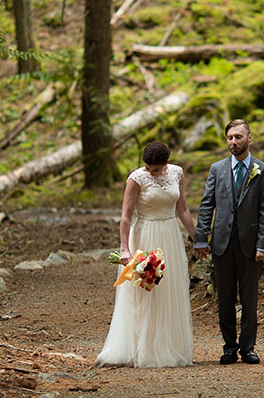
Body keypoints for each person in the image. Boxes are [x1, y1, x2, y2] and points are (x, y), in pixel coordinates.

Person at [96, 142, 196, 368]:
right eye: (148, 168)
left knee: (170, 291)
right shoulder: (136, 179)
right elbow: (125, 216)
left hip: (170, 235)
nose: (150, 172)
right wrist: (125, 249)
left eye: (156, 169)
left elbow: (182, 210)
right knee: (146, 293)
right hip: (145, 236)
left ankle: (169, 347)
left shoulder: (177, 173)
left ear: (166, 163)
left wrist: (197, 238)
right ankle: (144, 349)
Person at [193, 119, 264, 365]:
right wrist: (200, 238)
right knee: (225, 299)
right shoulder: (216, 169)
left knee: (249, 298)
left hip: (250, 245)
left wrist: (263, 244)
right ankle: (229, 347)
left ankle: (248, 348)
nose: (233, 142)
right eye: (230, 137)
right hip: (222, 243)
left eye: (238, 137)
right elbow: (207, 205)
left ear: (249, 138)